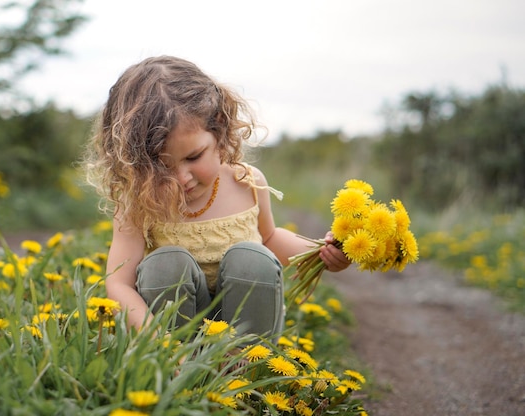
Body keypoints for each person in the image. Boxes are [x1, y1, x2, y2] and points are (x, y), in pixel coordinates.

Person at [84, 55, 350, 342]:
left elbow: (269, 238)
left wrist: (320, 253)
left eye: (193, 157)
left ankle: (245, 369)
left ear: (219, 130)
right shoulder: (138, 203)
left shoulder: (246, 182)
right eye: (161, 167)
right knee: (165, 264)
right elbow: (119, 284)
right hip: (172, 332)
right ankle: (180, 365)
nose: (182, 177)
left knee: (252, 258)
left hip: (247, 325)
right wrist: (157, 339)